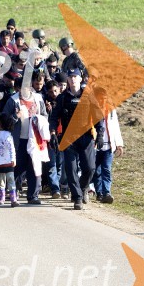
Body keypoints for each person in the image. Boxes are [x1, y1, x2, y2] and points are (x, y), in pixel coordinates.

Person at [50, 69, 97, 210]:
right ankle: (77, 198)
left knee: (90, 168)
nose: (73, 79)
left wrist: (100, 134)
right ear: (68, 80)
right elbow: (53, 117)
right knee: (70, 169)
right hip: (68, 138)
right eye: (70, 77)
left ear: (81, 78)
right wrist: (53, 133)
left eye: (75, 76)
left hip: (86, 136)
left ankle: (83, 188)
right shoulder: (62, 98)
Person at [90, 88, 124, 204]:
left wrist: (119, 144)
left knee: (106, 169)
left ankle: (107, 192)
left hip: (108, 145)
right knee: (95, 170)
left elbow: (115, 126)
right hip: (94, 145)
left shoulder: (111, 111)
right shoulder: (91, 110)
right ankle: (99, 192)